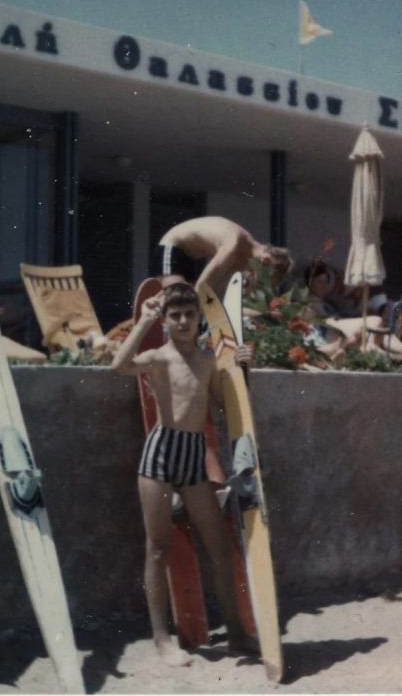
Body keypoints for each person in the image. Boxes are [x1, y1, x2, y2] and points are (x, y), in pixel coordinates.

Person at [111, 283, 258, 665]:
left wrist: (243, 368)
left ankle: (238, 635)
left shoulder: (208, 359)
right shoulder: (159, 357)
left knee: (221, 549)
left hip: (193, 459)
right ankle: (162, 640)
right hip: (159, 457)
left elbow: (226, 406)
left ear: (199, 318)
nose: (182, 321)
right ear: (166, 320)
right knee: (157, 548)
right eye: (174, 315)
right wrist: (143, 321)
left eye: (189, 314)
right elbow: (119, 365)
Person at [154, 216, 293, 298]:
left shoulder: (244, 261)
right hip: (173, 245)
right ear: (265, 260)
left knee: (187, 302)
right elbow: (204, 285)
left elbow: (218, 292)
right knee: (178, 299)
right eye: (263, 280)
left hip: (192, 258)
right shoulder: (233, 243)